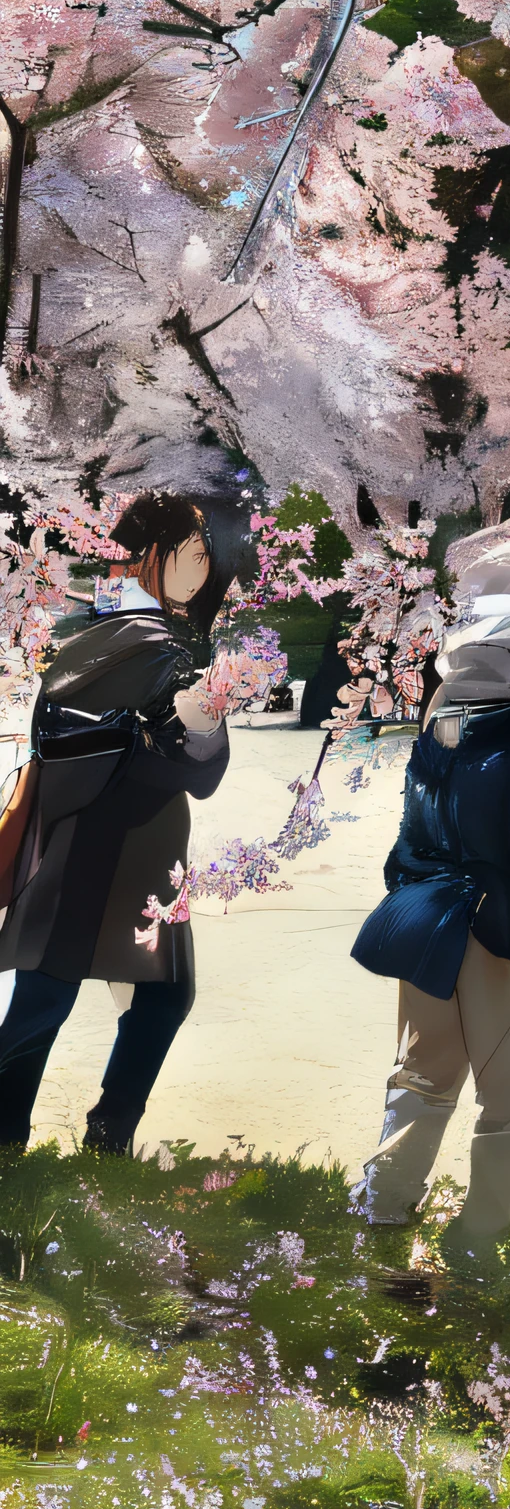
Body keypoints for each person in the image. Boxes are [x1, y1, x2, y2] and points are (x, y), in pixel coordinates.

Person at [350, 532, 510, 1265]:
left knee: (422, 1077)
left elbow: (417, 819)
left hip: (429, 918)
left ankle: (382, 1211)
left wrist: (413, 887)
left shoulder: (445, 705)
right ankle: (478, 1239)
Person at [0, 491, 232, 1157]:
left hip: (73, 837)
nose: (206, 572)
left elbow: (53, 740)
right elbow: (198, 773)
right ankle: (108, 1134)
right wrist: (205, 729)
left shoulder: (80, 636)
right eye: (197, 556)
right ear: (156, 556)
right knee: (160, 997)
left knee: (43, 998)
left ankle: (8, 1137)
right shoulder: (172, 649)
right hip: (138, 844)